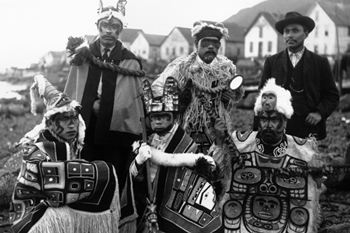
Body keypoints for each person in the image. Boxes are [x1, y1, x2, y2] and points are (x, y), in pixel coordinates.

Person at [213, 78, 328, 233]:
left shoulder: (301, 149)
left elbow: (317, 181)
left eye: (274, 119)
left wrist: (317, 169)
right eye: (264, 119)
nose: (267, 125)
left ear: (285, 122)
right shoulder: (240, 142)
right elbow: (219, 168)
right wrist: (220, 140)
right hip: (242, 217)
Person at [9, 75, 120, 233]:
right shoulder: (36, 148)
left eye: (74, 118)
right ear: (50, 123)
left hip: (53, 204)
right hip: (31, 215)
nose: (71, 125)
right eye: (64, 119)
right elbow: (57, 178)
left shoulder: (70, 145)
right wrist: (104, 170)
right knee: (64, 216)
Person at [122, 77, 223, 233]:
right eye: (155, 117)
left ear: (173, 117)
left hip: (171, 208)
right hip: (147, 203)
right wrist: (138, 160)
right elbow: (133, 177)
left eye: (163, 116)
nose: (158, 121)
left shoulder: (187, 144)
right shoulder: (145, 142)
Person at [64, 0, 145, 189]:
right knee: (84, 176)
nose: (109, 31)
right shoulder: (83, 57)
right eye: (105, 26)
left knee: (112, 179)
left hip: (115, 135)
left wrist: (110, 108)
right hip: (86, 129)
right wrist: (90, 104)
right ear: (98, 27)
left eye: (114, 26)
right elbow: (72, 91)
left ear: (120, 31)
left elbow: (131, 101)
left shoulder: (130, 62)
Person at [151, 20, 244, 154]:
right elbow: (157, 87)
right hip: (186, 127)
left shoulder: (225, 68)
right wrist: (176, 99)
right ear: (196, 44)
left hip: (215, 129)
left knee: (215, 166)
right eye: (205, 43)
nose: (211, 47)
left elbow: (234, 97)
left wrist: (226, 99)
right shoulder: (182, 67)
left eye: (215, 43)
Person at [258, 11, 339, 140]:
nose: (290, 35)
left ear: (306, 34)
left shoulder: (320, 62)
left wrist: (319, 113)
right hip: (277, 127)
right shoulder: (272, 62)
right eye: (286, 31)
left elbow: (332, 95)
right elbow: (262, 95)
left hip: (307, 126)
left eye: (295, 30)